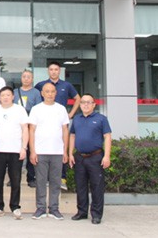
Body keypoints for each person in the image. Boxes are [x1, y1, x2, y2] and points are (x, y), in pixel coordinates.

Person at [35, 61, 81, 190]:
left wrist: (70, 114)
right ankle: (44, 178)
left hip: (60, 122)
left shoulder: (66, 85)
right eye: (51, 69)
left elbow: (78, 98)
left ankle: (62, 178)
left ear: (59, 71)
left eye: (56, 69)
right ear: (48, 71)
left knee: (61, 148)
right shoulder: (41, 85)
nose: (53, 71)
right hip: (44, 123)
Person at [69, 93, 112, 225]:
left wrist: (107, 156)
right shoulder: (76, 119)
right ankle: (82, 212)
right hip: (79, 157)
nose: (85, 105)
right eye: (83, 102)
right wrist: (70, 154)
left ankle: (96, 215)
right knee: (80, 186)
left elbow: (107, 137)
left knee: (97, 187)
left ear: (94, 104)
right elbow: (72, 136)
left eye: (89, 102)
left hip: (96, 157)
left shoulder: (101, 119)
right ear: (80, 105)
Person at [28, 82, 69, 221]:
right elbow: (31, 130)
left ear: (56, 93)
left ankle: (54, 208)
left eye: (52, 91)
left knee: (55, 181)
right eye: (47, 91)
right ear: (42, 93)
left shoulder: (61, 109)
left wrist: (65, 151)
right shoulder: (36, 109)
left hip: (57, 151)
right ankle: (40, 208)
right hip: (40, 151)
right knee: (40, 181)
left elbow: (65, 130)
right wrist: (32, 151)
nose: (50, 94)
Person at [0, 86, 29, 219]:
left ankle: (15, 207)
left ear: (13, 96)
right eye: (3, 95)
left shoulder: (20, 110)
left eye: (8, 95)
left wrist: (24, 148)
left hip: (15, 151)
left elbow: (25, 129)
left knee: (16, 180)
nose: (5, 97)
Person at [13, 70, 42, 188]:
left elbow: (38, 109)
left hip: (30, 125)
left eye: (28, 77)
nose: (26, 79)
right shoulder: (15, 92)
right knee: (16, 151)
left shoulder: (36, 93)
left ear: (32, 79)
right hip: (16, 125)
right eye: (24, 76)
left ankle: (31, 177)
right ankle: (14, 177)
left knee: (30, 150)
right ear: (21, 78)